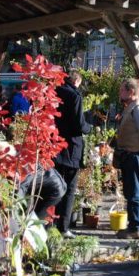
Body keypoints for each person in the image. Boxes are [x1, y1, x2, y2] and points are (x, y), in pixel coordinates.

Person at [53, 70, 92, 238]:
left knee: (54, 185)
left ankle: (50, 224)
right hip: (71, 148)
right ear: (77, 81)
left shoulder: (54, 91)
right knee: (69, 188)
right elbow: (78, 125)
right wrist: (88, 128)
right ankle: (63, 227)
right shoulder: (74, 96)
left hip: (54, 145)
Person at [115, 78, 139, 240]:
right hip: (130, 156)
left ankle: (137, 228)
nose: (120, 93)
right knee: (131, 193)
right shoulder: (131, 108)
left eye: (122, 90)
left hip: (134, 156)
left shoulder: (137, 108)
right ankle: (134, 226)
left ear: (131, 92)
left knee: (135, 193)